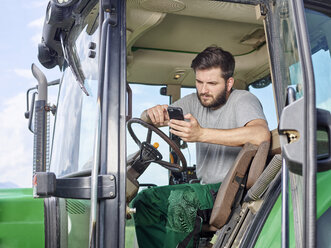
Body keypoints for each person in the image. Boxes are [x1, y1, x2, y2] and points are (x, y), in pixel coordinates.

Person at [132, 46, 270, 248]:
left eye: (212, 83)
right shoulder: (194, 101)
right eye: (199, 82)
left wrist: (201, 134)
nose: (204, 90)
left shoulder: (243, 100)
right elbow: (150, 118)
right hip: (206, 188)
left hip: (229, 189)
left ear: (229, 83)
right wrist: (150, 113)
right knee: (143, 202)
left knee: (182, 198)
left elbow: (260, 134)